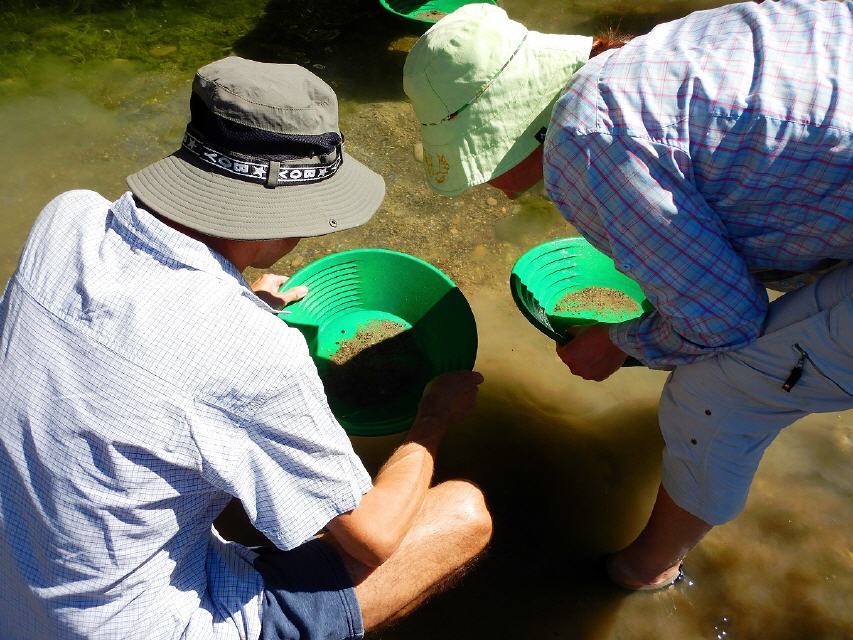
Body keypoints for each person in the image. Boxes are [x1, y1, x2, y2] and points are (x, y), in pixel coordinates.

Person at [0, 57, 492, 640]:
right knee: (462, 514)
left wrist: (238, 298)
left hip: (17, 588)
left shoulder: (68, 218)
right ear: (284, 213)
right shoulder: (254, 351)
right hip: (134, 627)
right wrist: (433, 418)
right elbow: (376, 537)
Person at [403, 1, 852, 590]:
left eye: (477, 161)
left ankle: (643, 573)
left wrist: (619, 341)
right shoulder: (647, 56)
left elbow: (728, 322)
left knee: (717, 388)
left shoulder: (585, 141)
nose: (483, 182)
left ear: (508, 129)